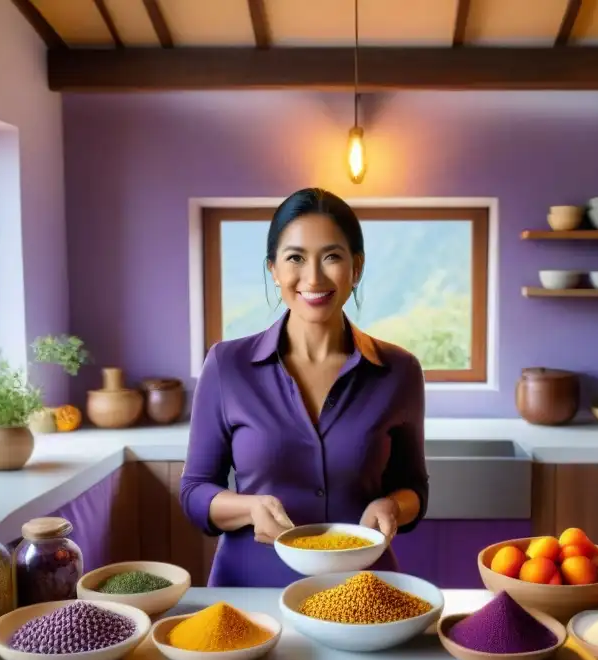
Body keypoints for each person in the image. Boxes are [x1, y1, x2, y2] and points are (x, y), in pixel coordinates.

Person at [179, 188, 430, 587]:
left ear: (356, 268)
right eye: (295, 258)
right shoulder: (227, 366)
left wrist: (392, 506)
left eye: (332, 257)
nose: (313, 278)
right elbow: (195, 492)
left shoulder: (399, 370)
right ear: (274, 269)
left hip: (363, 589)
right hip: (250, 592)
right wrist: (248, 508)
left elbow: (413, 487)